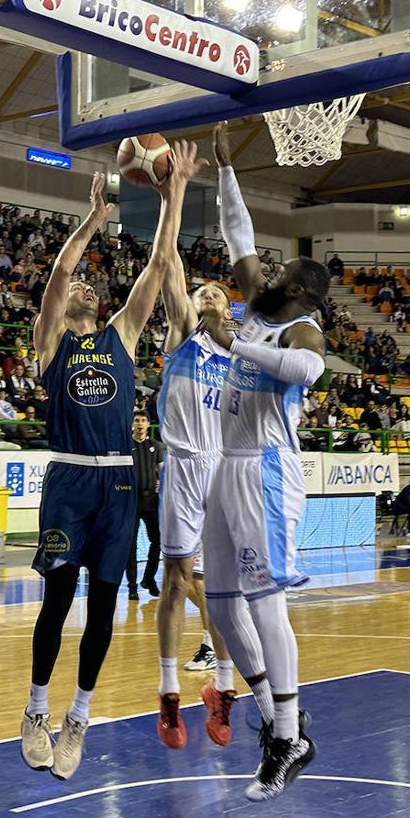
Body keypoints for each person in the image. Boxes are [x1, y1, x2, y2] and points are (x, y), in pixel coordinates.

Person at [21, 160, 184, 781]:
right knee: (57, 602)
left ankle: (79, 717)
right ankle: (36, 707)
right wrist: (93, 218)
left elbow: (157, 268)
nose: (85, 285)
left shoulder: (122, 332)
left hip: (116, 482)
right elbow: (61, 271)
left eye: (93, 285)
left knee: (104, 608)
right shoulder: (50, 343)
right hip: (67, 482)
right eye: (78, 289)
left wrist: (172, 197)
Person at [193, 122, 321, 801]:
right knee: (219, 602)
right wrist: (224, 168)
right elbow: (238, 234)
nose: (272, 277)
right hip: (223, 464)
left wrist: (231, 345)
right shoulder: (255, 296)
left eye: (287, 278)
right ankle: (275, 719)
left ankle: (291, 731)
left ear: (304, 296)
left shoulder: (300, 328)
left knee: (266, 601)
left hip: (268, 471)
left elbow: (305, 370)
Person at [150, 226, 237, 749]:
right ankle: (167, 694)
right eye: (201, 291)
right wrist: (171, 194)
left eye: (218, 293)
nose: (208, 296)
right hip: (184, 466)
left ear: (231, 308)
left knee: (225, 590)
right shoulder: (183, 336)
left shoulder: (242, 353)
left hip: (226, 469)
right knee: (177, 582)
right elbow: (167, 265)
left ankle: (224, 689)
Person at [128, 411, 162, 602]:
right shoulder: (126, 446)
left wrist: (161, 483)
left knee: (157, 541)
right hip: (131, 502)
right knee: (130, 545)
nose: (139, 424)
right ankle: (132, 586)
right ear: (132, 424)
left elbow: (162, 470)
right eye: (136, 420)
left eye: (143, 420)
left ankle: (149, 579)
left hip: (151, 502)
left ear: (148, 424)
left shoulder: (155, 447)